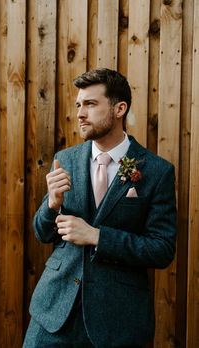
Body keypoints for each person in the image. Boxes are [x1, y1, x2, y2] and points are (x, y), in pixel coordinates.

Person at [23, 68, 177, 348]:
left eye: (91, 104)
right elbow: (42, 233)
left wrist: (97, 236)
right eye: (79, 105)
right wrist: (52, 205)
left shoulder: (156, 171)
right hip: (53, 314)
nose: (80, 113)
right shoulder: (65, 159)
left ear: (120, 109)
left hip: (117, 321)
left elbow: (162, 249)